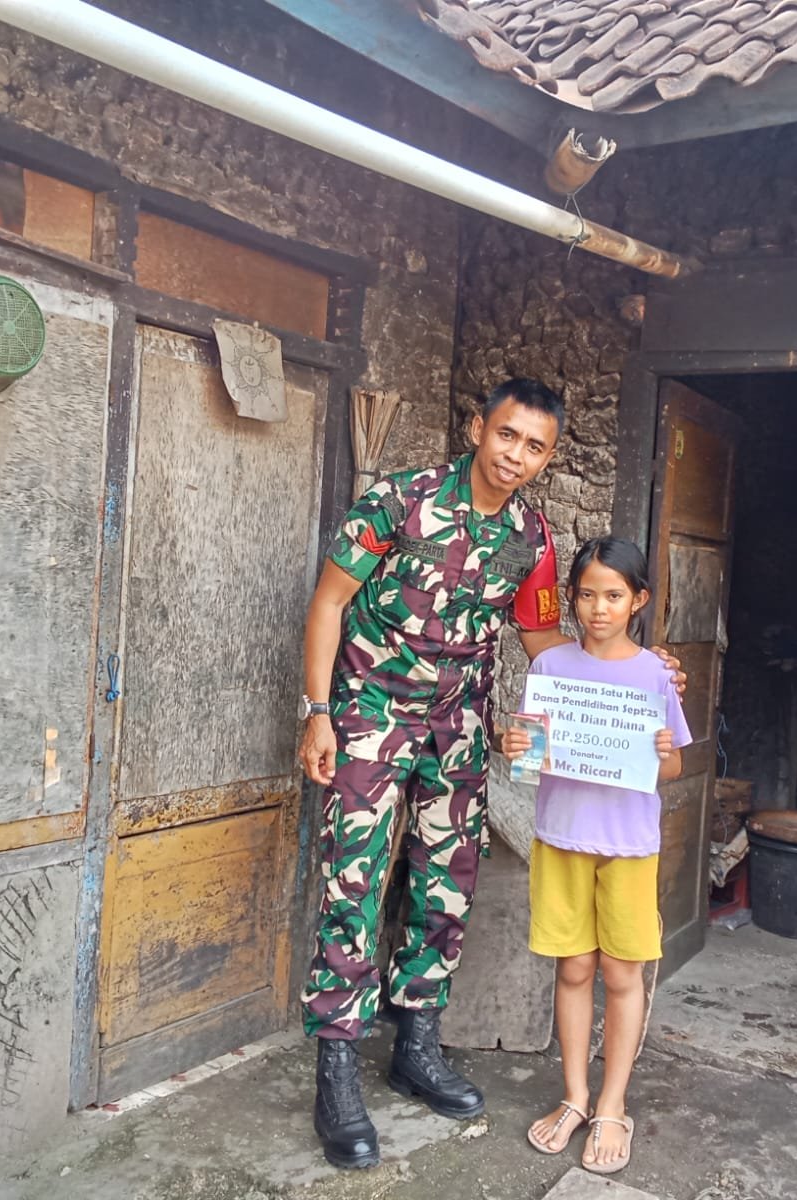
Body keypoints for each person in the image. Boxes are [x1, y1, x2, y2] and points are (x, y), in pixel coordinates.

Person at [295, 379, 570, 1170]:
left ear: (547, 458)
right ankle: (337, 1071)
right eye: (507, 435)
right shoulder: (401, 500)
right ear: (478, 428)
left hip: (459, 727)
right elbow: (329, 603)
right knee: (353, 882)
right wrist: (318, 711)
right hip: (370, 716)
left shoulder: (529, 536)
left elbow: (542, 641)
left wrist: (631, 673)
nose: (516, 455)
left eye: (535, 447)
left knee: (445, 884)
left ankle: (416, 1045)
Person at [501, 536, 691, 1176]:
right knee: (575, 967)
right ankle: (575, 1095)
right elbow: (532, 755)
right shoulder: (550, 668)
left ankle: (613, 1104)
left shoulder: (655, 675)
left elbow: (673, 766)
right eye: (587, 595)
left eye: (614, 595)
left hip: (628, 845)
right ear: (572, 599)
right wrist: (515, 744)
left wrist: (661, 752)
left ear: (638, 600)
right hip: (561, 836)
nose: (599, 608)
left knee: (621, 973)